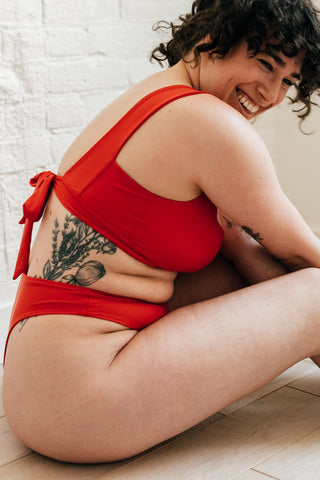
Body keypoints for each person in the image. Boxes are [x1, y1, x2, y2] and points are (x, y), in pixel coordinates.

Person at [3, 0, 320, 464]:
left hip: (38, 378)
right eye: (266, 64)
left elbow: (244, 247)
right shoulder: (212, 126)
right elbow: (303, 252)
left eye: (288, 82)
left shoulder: (154, 98)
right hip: (77, 400)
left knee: (248, 264)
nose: (271, 94)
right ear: (213, 39)